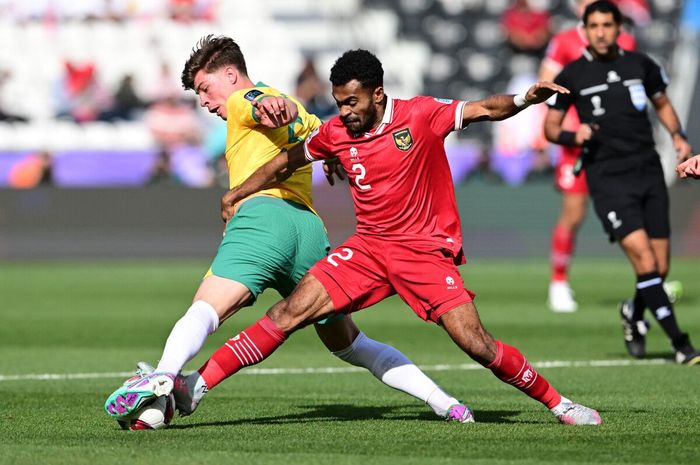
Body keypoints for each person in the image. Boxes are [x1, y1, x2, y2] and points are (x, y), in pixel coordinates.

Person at [114, 48, 603, 426]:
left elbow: (484, 110)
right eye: (338, 102)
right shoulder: (336, 131)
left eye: (352, 102)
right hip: (367, 249)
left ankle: (559, 403)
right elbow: (288, 159)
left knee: (477, 345)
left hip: (423, 252)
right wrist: (236, 192)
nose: (344, 112)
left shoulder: (420, 115)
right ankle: (195, 386)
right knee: (288, 313)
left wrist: (524, 100)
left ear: (377, 94)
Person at [105, 35, 473, 424]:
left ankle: (163, 377)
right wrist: (328, 157)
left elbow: (255, 102)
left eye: (204, 88)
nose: (205, 102)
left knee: (207, 310)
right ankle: (445, 402)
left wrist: (265, 102)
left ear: (230, 75)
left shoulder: (242, 99)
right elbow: (324, 135)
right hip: (309, 232)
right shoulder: (300, 109)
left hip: (264, 219)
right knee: (349, 343)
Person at [544, 1, 700, 365]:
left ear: (618, 28)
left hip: (647, 170)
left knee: (659, 269)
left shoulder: (640, 65)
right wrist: (574, 135)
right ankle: (681, 344)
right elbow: (550, 128)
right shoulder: (571, 76)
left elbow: (661, 102)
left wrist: (677, 135)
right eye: (593, 25)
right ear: (584, 30)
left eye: (607, 25)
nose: (600, 32)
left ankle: (633, 311)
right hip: (607, 179)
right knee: (644, 260)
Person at [540, 0, 637, 313]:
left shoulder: (625, 41)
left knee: (631, 211)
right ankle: (558, 282)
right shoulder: (566, 41)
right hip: (576, 145)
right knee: (574, 213)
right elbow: (545, 83)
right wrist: (569, 122)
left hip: (615, 145)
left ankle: (649, 279)